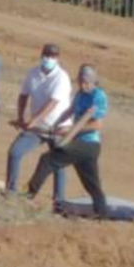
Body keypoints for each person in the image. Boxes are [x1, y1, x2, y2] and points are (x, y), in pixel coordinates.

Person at [25, 65, 110, 218]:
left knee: (47, 160)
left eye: (86, 82)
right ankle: (102, 213)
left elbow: (97, 124)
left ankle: (28, 196)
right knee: (91, 183)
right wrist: (56, 125)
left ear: (94, 81)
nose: (83, 85)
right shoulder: (80, 93)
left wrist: (69, 130)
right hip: (79, 143)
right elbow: (70, 110)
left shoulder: (99, 96)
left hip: (88, 144)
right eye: (80, 82)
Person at [5, 43, 73, 204]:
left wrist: (32, 120)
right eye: (46, 55)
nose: (48, 59)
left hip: (58, 128)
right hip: (36, 128)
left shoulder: (62, 78)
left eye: (52, 56)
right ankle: (10, 191)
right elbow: (23, 96)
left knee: (59, 164)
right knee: (15, 152)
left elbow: (52, 104)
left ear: (57, 58)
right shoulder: (32, 73)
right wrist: (21, 117)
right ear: (41, 55)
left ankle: (59, 200)